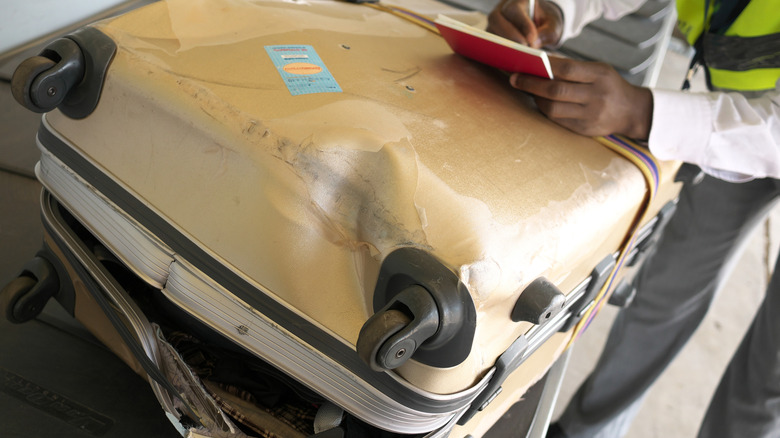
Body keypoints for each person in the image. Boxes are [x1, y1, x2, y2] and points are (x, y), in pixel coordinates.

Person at [486, 0, 780, 437]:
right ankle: (587, 431)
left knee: (766, 382)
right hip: (744, 105)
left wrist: (646, 112)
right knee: (665, 293)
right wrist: (554, 9)